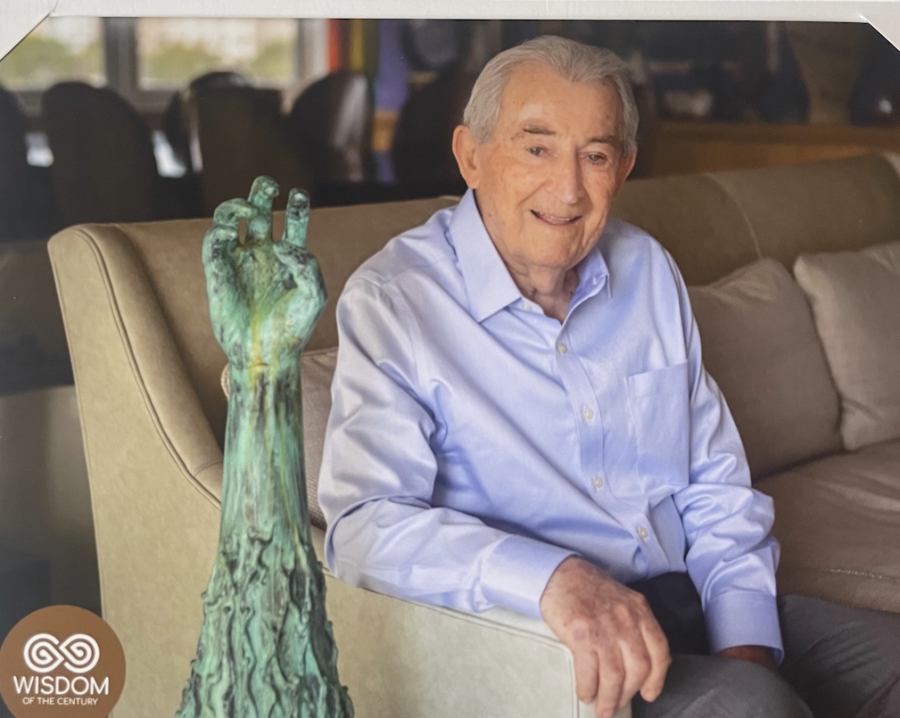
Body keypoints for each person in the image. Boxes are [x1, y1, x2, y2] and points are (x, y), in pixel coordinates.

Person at [317, 35, 900, 718]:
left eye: (594, 155)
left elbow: (714, 482)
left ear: (622, 168)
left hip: (691, 598)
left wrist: (744, 641)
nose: (567, 188)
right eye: (536, 148)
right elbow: (363, 524)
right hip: (558, 640)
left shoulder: (647, 269)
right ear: (470, 157)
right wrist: (556, 580)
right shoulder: (397, 300)